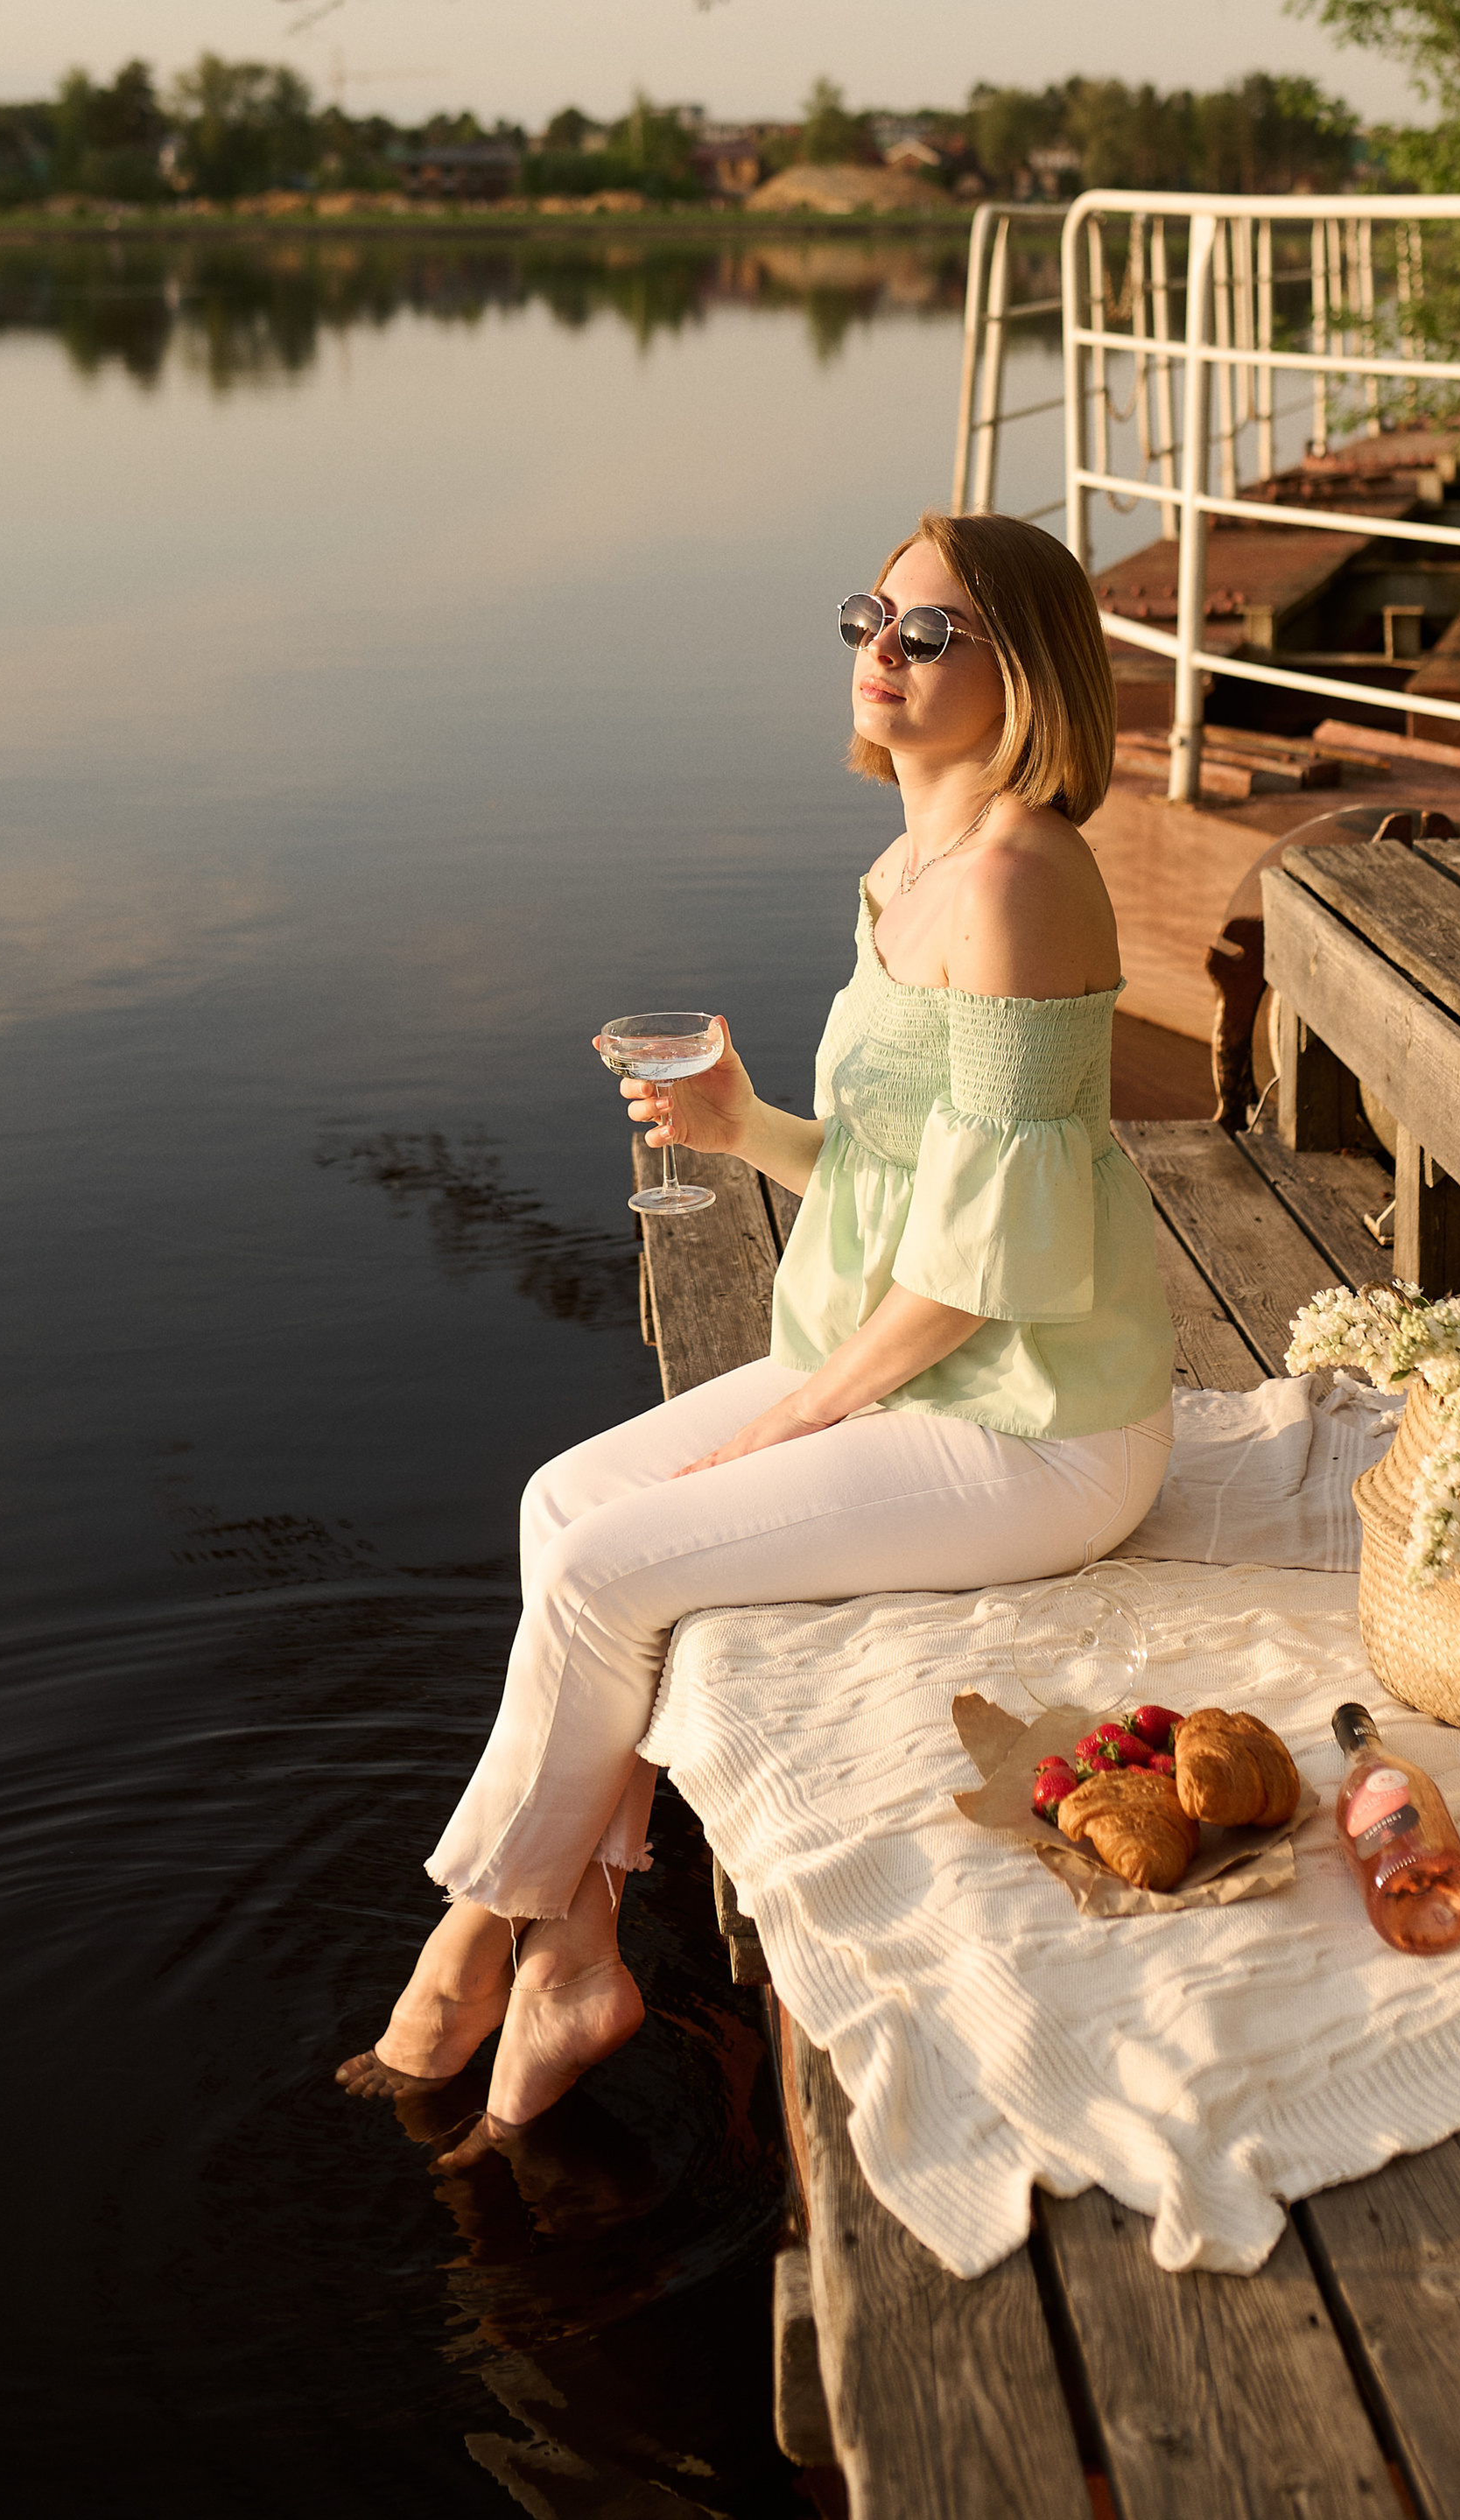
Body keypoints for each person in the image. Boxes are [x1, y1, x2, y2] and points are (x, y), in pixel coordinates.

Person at [339, 510, 1176, 2165]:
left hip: (1037, 1419)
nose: (882, 650)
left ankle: (470, 1953)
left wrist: (795, 1427)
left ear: (1028, 676)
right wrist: (750, 1132)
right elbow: (898, 1179)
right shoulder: (911, 866)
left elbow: (986, 1266)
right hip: (918, 1359)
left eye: (930, 632)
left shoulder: (1015, 879)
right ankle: (572, 1951)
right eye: (873, 615)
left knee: (603, 1577)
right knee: (559, 1510)